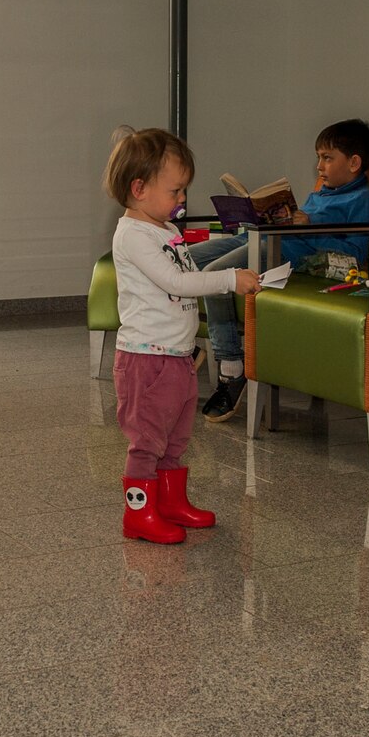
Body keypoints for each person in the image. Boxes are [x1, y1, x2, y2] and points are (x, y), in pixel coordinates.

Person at [106, 125, 261, 543]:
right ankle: (138, 514)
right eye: (175, 191)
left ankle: (170, 502)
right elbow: (177, 282)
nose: (182, 200)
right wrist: (229, 278)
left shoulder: (166, 231)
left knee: (175, 437)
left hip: (174, 355)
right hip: (146, 358)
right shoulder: (134, 236)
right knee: (147, 441)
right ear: (139, 188)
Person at [198, 119, 369, 423]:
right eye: (318, 157)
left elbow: (357, 253)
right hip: (261, 238)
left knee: (217, 274)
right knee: (186, 258)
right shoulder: (321, 193)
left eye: (327, 157)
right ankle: (181, 348)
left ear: (354, 163)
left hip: (285, 252)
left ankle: (232, 367)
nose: (319, 165)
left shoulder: (362, 200)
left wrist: (309, 229)